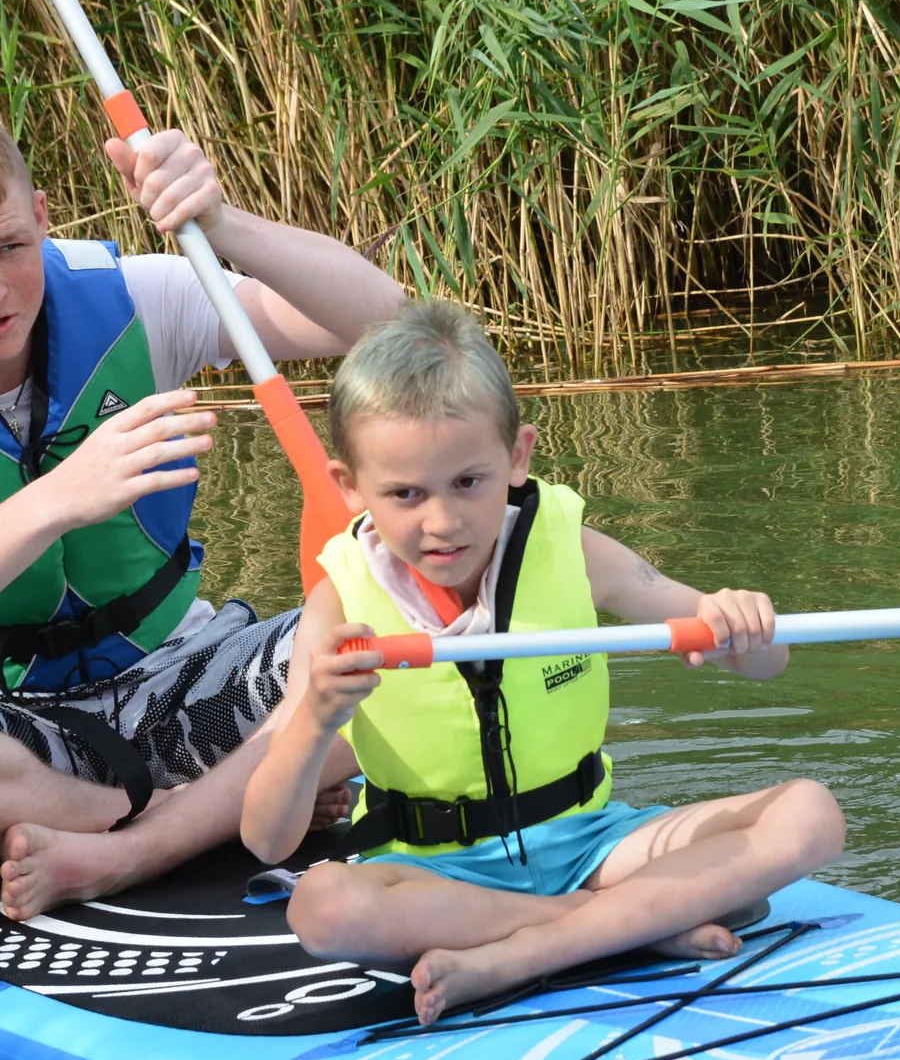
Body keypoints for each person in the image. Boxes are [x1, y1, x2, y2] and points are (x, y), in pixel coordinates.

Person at [0, 101, 401, 918]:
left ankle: (139, 846)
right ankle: (194, 811)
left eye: (12, 246)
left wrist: (224, 223)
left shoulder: (135, 298)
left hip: (191, 676)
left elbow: (391, 323)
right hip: (10, 733)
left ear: (42, 217)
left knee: (399, 619)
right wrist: (55, 500)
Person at [241, 302, 848, 1023]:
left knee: (809, 814)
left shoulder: (574, 550)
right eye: (405, 494)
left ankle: (526, 951)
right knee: (322, 905)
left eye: (469, 481)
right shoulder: (338, 602)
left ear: (518, 455)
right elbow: (266, 839)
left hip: (591, 843)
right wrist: (314, 718)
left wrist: (738, 623)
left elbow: (769, 662)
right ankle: (624, 923)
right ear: (349, 486)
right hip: (431, 873)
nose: (442, 521)